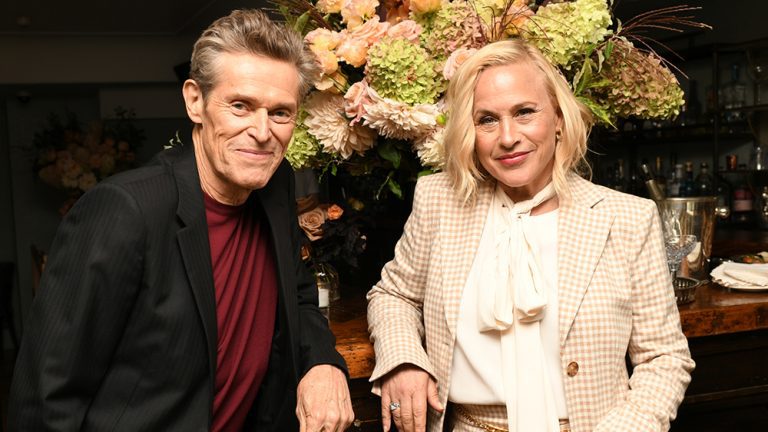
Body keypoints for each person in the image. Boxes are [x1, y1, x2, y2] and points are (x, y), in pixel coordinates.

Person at [9, 9, 353, 432]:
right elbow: (46, 396)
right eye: (241, 106)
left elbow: (297, 296)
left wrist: (322, 363)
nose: (263, 132)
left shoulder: (275, 185)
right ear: (195, 101)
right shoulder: (123, 210)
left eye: (280, 112)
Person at [367, 39, 694, 432]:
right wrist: (403, 359)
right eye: (487, 119)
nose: (507, 137)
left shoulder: (625, 218)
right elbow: (393, 294)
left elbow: (664, 358)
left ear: (558, 117)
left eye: (524, 112)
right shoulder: (439, 202)